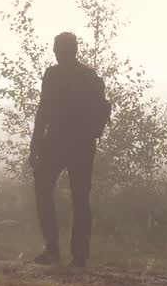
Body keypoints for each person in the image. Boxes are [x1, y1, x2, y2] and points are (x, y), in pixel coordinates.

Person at [30, 31, 110, 268]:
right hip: (81, 145)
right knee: (80, 198)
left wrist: (35, 144)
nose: (55, 52)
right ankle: (78, 254)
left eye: (57, 48)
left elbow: (43, 111)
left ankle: (54, 250)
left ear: (63, 50)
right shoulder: (89, 76)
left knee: (46, 191)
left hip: (57, 142)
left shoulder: (53, 75)